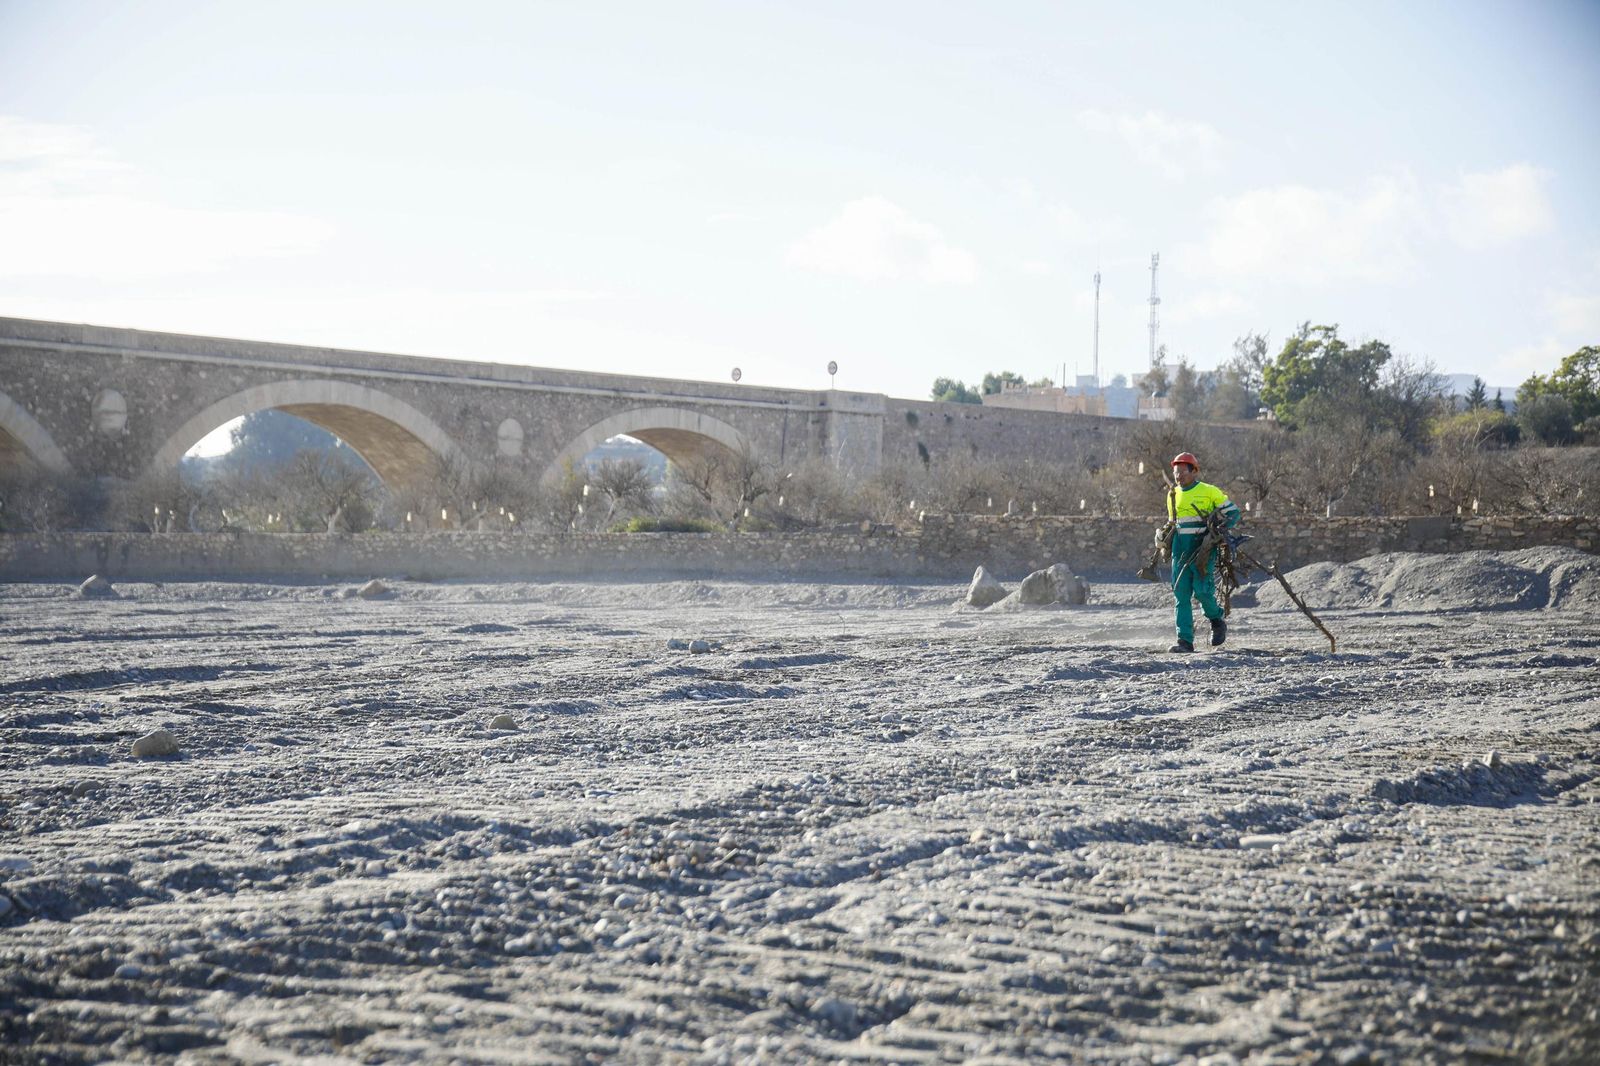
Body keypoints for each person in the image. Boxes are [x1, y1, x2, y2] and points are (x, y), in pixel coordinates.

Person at [1165, 451, 1241, 653]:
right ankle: (1185, 641)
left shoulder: (1209, 491)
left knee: (1202, 590)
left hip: (1203, 550)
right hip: (1179, 550)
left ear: (1194, 471)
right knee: (1181, 595)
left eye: (1182, 471)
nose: (1178, 476)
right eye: (1175, 472)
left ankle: (1217, 619)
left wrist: (1218, 529)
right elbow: (1174, 523)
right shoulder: (1173, 495)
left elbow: (1233, 513)